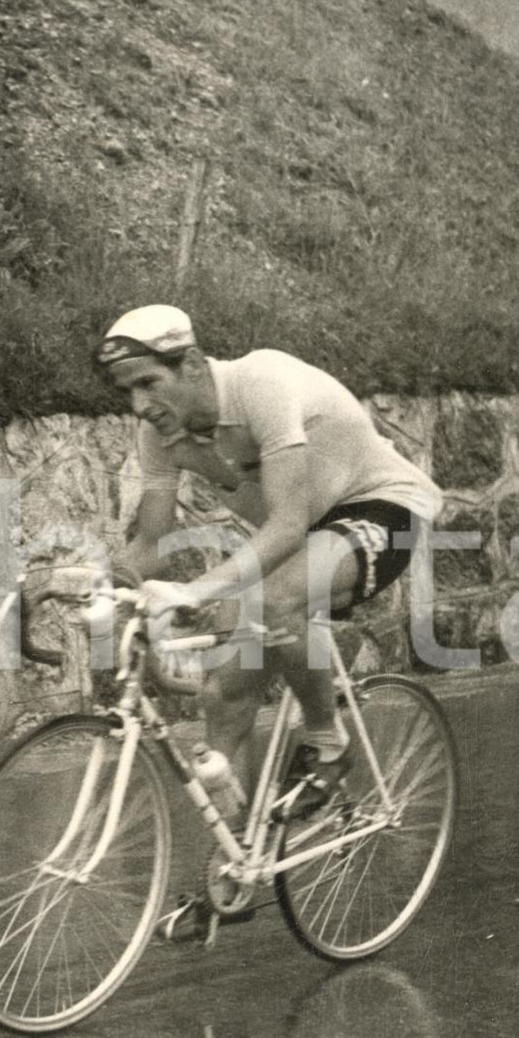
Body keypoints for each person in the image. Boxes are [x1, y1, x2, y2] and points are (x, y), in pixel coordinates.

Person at [95, 303, 441, 812]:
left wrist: (193, 591)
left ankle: (327, 741)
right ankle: (231, 871)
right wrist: (90, 585)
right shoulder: (159, 435)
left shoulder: (262, 383)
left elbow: (285, 525)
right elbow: (151, 544)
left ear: (190, 364)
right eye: (128, 390)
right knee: (223, 697)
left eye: (147, 383)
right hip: (304, 536)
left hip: (379, 509)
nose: (138, 405)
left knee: (273, 599)